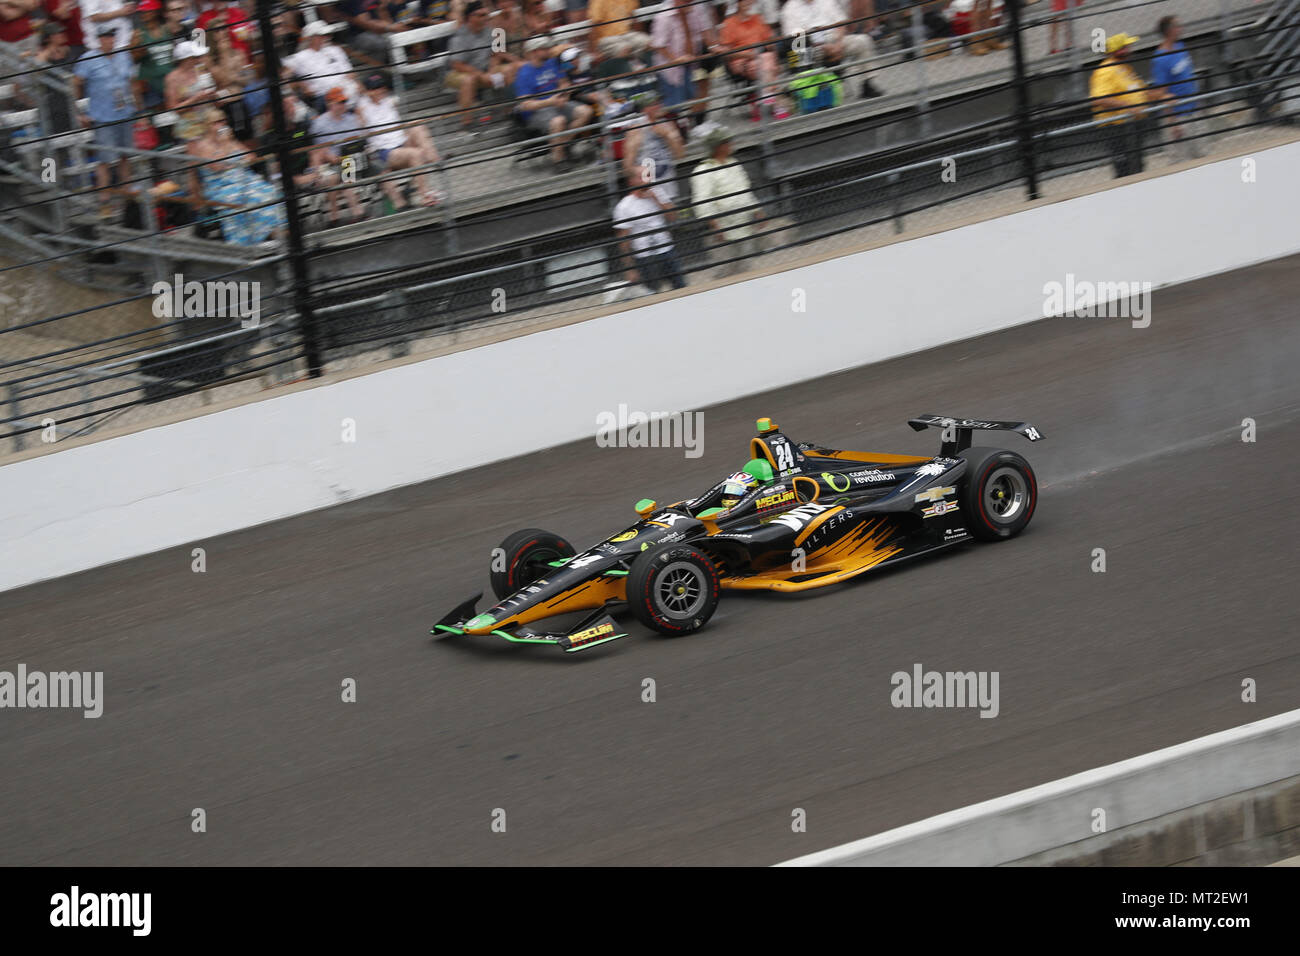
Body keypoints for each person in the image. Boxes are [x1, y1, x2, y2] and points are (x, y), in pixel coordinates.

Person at [187, 107, 285, 244]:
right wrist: (226, 144)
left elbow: (251, 157)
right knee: (249, 198)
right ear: (207, 125)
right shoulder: (202, 146)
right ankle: (259, 238)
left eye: (223, 121)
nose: (221, 125)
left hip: (245, 180)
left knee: (271, 192)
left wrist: (236, 150)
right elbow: (217, 166)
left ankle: (275, 235)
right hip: (222, 186)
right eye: (216, 122)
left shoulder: (231, 141)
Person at [74, 27, 137, 219]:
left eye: (112, 36)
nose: (110, 40)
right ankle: (104, 201)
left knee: (126, 156)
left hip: (125, 113)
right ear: (99, 39)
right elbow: (76, 84)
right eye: (106, 37)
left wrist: (137, 108)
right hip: (102, 117)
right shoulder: (88, 58)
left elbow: (131, 81)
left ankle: (128, 197)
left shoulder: (123, 56)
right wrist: (80, 111)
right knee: (105, 161)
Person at [355, 72, 442, 209]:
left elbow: (396, 124)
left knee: (418, 127)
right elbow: (362, 129)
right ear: (368, 91)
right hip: (385, 151)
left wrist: (410, 125)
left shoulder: (388, 101)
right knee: (416, 154)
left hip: (400, 142)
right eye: (376, 88)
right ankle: (426, 195)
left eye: (381, 87)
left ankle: (435, 160)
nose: (381, 90)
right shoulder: (362, 107)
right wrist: (364, 99)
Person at [690, 127, 763, 278]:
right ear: (719, 146)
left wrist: (756, 210)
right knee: (726, 272)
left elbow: (745, 189)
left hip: (743, 224)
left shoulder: (734, 164)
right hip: (723, 229)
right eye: (727, 142)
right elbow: (702, 200)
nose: (731, 144)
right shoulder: (703, 170)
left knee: (746, 268)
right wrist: (715, 225)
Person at [514, 35, 593, 171]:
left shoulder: (552, 63)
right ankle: (558, 161)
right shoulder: (524, 73)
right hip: (537, 111)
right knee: (558, 121)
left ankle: (562, 146)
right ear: (534, 52)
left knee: (586, 111)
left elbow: (564, 82)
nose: (548, 50)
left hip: (558, 102)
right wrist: (549, 102)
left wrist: (564, 94)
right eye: (544, 48)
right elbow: (525, 104)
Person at [445, 1, 518, 132]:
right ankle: (467, 122)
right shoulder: (459, 36)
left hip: (484, 68)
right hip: (460, 72)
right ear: (470, 17)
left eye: (486, 15)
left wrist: (491, 71)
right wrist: (480, 74)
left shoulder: (491, 31)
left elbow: (496, 54)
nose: (485, 18)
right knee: (468, 80)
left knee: (509, 69)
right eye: (481, 15)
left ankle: (510, 111)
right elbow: (457, 64)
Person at [1089, 32, 1153, 178]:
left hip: (1132, 125)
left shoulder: (1125, 68)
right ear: (1118, 50)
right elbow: (1099, 99)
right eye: (1126, 46)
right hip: (1118, 127)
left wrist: (1160, 95)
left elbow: (1141, 91)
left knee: (1137, 164)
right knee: (1125, 167)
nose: (1130, 49)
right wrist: (1129, 107)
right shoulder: (1105, 71)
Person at [613, 167, 686, 293]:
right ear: (632, 181)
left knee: (680, 286)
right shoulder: (624, 206)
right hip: (645, 256)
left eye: (649, 176)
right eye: (643, 177)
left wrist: (657, 199)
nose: (647, 180)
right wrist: (630, 269)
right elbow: (624, 241)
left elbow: (673, 217)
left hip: (666, 249)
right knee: (652, 293)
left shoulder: (657, 192)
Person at [308, 85, 368, 225]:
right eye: (339, 102)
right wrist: (335, 158)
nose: (343, 105)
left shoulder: (351, 119)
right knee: (339, 174)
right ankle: (354, 212)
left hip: (353, 159)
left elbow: (359, 141)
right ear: (330, 104)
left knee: (347, 166)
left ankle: (343, 215)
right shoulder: (319, 123)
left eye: (344, 102)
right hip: (332, 162)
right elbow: (320, 150)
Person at [649, 0, 718, 115]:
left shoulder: (695, 8)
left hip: (690, 63)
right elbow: (658, 45)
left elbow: (704, 28)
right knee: (674, 106)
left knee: (692, 98)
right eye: (687, 1)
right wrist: (675, 59)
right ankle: (662, 125)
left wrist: (713, 46)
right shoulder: (663, 16)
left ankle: (692, 127)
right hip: (670, 69)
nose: (691, 3)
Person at [1150, 15, 1203, 162]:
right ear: (1169, 31)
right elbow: (1162, 93)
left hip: (1194, 111)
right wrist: (1173, 123)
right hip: (1179, 117)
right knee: (1182, 161)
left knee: (1202, 156)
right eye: (1178, 26)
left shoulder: (1181, 48)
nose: (1181, 28)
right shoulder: (1160, 59)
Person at [621, 89, 684, 199]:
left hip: (668, 183)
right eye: (655, 104)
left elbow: (680, 155)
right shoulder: (636, 130)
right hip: (647, 188)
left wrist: (669, 137)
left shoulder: (667, 125)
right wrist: (639, 171)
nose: (660, 106)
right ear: (646, 109)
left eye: (659, 103)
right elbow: (627, 166)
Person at [284, 20, 360, 106]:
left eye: (327, 35)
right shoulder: (299, 57)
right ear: (311, 38)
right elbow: (284, 77)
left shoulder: (335, 50)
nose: (327, 37)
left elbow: (350, 73)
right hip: (324, 96)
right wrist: (301, 84)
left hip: (346, 90)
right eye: (322, 35)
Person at [165, 38, 218, 142]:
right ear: (186, 59)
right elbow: (174, 109)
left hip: (210, 121)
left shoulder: (201, 70)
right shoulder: (172, 78)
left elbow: (213, 94)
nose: (200, 60)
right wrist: (196, 98)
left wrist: (214, 95)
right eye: (196, 57)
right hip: (190, 128)